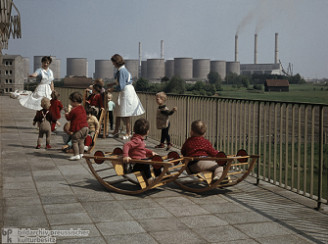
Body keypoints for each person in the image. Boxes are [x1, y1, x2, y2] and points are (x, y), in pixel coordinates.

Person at [108, 54, 145, 140]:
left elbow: (121, 85)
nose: (113, 64)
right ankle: (116, 131)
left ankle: (128, 133)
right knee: (119, 111)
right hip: (125, 91)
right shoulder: (123, 70)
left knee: (125, 113)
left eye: (113, 62)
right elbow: (123, 81)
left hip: (126, 92)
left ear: (116, 62)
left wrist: (112, 89)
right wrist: (113, 84)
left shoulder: (121, 71)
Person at [123, 118, 157, 184]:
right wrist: (125, 156)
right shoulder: (137, 140)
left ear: (134, 129)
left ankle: (157, 175)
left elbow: (142, 149)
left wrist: (150, 152)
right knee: (146, 163)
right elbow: (126, 145)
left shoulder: (139, 140)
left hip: (140, 162)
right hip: (136, 164)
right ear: (147, 132)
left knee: (154, 160)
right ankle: (149, 179)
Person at [65, 92, 89, 160]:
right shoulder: (82, 108)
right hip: (86, 128)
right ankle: (81, 154)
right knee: (81, 141)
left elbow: (68, 118)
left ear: (74, 101)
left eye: (71, 102)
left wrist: (67, 112)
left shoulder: (74, 110)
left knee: (74, 141)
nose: (71, 103)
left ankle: (76, 155)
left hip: (79, 128)